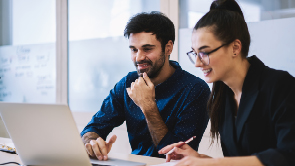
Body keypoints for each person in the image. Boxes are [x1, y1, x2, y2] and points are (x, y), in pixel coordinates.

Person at [158, 0, 295, 166]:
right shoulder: (223, 98)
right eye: (195, 53)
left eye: (205, 52)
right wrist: (198, 159)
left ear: (235, 48)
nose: (198, 63)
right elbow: (236, 161)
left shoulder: (279, 85)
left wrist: (212, 164)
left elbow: (288, 155)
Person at [80, 11, 210, 161]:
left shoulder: (195, 90)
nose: (139, 57)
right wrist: (91, 143)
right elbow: (92, 128)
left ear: (168, 48)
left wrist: (148, 106)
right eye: (134, 50)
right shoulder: (127, 83)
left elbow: (177, 156)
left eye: (147, 49)